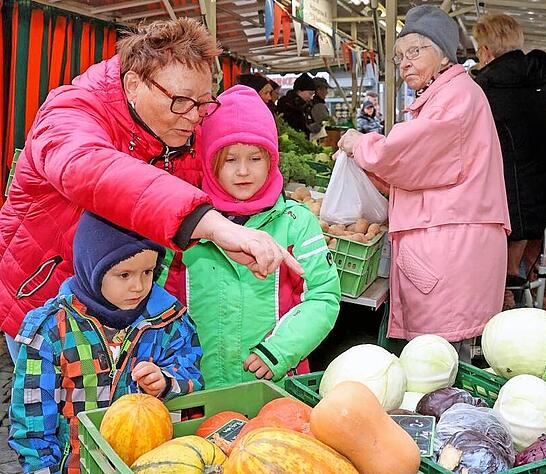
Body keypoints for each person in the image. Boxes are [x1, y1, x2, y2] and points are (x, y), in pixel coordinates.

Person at [0, 18, 299, 365]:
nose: (195, 116)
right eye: (181, 101)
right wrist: (210, 224)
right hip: (48, 307)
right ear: (133, 84)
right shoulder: (71, 109)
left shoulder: (185, 129)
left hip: (131, 310)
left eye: (204, 103)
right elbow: (88, 166)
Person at [337, 5, 510, 361]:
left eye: (415, 51)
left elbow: (405, 155)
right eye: (400, 56)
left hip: (450, 245)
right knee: (442, 357)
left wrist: (360, 144)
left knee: (440, 359)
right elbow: (429, 171)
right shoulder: (448, 95)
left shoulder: (455, 98)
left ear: (444, 54)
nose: (405, 63)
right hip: (450, 240)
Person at [9, 212, 202, 473]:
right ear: (93, 270)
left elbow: (192, 376)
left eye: (148, 272)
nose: (138, 286)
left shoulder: (169, 321)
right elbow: (32, 422)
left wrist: (167, 382)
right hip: (78, 466)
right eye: (124, 275)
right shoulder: (52, 331)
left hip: (152, 463)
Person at [184, 85, 340, 387]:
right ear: (209, 162)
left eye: (255, 158)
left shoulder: (297, 223)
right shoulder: (188, 225)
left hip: (275, 385)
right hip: (197, 389)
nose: (243, 171)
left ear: (271, 159)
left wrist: (279, 350)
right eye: (229, 160)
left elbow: (323, 296)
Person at [472, 13, 546, 317]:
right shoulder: (544, 79)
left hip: (512, 204)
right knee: (545, 279)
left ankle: (502, 337)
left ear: (486, 51)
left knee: (503, 284)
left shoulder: (486, 87)